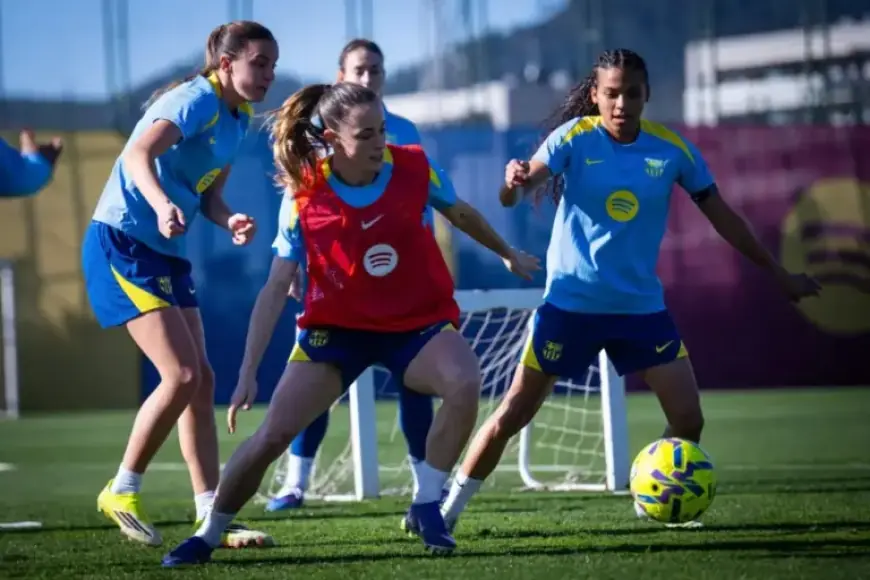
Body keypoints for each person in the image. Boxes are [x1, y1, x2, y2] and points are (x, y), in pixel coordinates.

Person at [438, 48, 822, 532]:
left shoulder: (671, 150)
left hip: (640, 311)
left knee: (688, 421)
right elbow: (514, 190)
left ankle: (651, 495)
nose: (621, 103)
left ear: (647, 95)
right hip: (570, 307)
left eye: (631, 93)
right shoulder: (574, 137)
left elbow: (725, 218)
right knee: (512, 413)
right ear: (595, 95)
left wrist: (778, 273)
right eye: (612, 93)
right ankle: (445, 513)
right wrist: (511, 182)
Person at [161, 81, 540, 567]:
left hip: (416, 323)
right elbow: (276, 287)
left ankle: (426, 505)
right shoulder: (304, 194)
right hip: (336, 332)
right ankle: (208, 534)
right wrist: (248, 372)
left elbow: (461, 212)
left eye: (382, 129)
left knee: (465, 382)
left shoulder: (414, 166)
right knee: (272, 436)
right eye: (365, 134)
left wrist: (506, 253)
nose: (380, 141)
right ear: (332, 138)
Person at [82, 20, 279, 549]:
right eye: (258, 63)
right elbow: (136, 155)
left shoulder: (238, 119)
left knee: (203, 381)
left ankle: (211, 515)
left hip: (163, 253)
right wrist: (162, 203)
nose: (267, 75)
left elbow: (207, 193)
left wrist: (229, 218)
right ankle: (121, 489)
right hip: (121, 242)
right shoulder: (196, 99)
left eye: (272, 66)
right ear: (226, 63)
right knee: (182, 374)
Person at [267, 38, 445, 513]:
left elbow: (425, 204)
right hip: (337, 286)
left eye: (377, 71)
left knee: (415, 385)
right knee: (318, 385)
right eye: (360, 71)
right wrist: (292, 267)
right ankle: (295, 483)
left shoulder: (404, 132)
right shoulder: (317, 140)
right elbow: (301, 207)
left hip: (399, 285)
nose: (369, 79)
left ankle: (426, 484)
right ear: (341, 76)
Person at [0, 129, 63, 197]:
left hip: (34, 179)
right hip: (33, 176)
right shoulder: (37, 165)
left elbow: (26, 135)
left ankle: (55, 146)